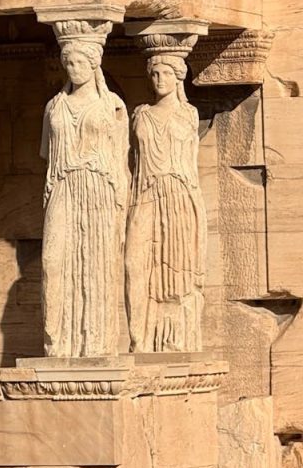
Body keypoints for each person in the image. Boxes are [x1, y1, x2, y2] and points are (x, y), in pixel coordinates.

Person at [40, 41, 128, 357]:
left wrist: (120, 206)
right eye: (68, 63)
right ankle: (59, 343)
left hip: (99, 188)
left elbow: (120, 159)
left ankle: (96, 344)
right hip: (63, 185)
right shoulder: (55, 106)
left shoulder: (113, 106)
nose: (72, 69)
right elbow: (46, 154)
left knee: (98, 261)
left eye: (78, 63)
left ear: (93, 65)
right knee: (54, 260)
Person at [126, 54, 205, 353]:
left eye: (165, 73)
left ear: (178, 77)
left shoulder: (189, 114)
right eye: (154, 73)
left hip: (179, 194)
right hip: (144, 193)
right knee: (135, 264)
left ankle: (173, 342)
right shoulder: (141, 114)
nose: (159, 79)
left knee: (177, 272)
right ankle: (140, 338)